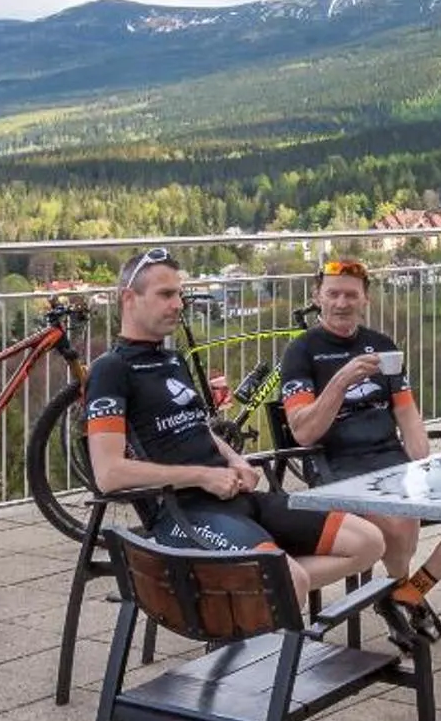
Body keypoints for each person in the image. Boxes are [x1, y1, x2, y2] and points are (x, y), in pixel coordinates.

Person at [86, 249, 384, 612]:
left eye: (179, 294)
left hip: (236, 500)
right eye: (166, 295)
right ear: (129, 299)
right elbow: (109, 473)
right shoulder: (110, 370)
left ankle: (251, 593)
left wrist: (234, 458)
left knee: (368, 541)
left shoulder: (171, 359)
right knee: (290, 580)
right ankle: (269, 594)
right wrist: (203, 476)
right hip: (185, 513)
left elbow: (197, 426)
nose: (178, 304)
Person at [278, 257, 441, 630]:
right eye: (333, 294)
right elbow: (303, 432)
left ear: (366, 300)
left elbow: (408, 416)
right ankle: (401, 599)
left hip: (392, 463)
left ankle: (409, 590)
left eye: (351, 295)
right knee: (400, 522)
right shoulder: (302, 352)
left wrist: (424, 465)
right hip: (338, 469)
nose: (342, 303)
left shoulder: (382, 346)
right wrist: (342, 379)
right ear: (318, 297)